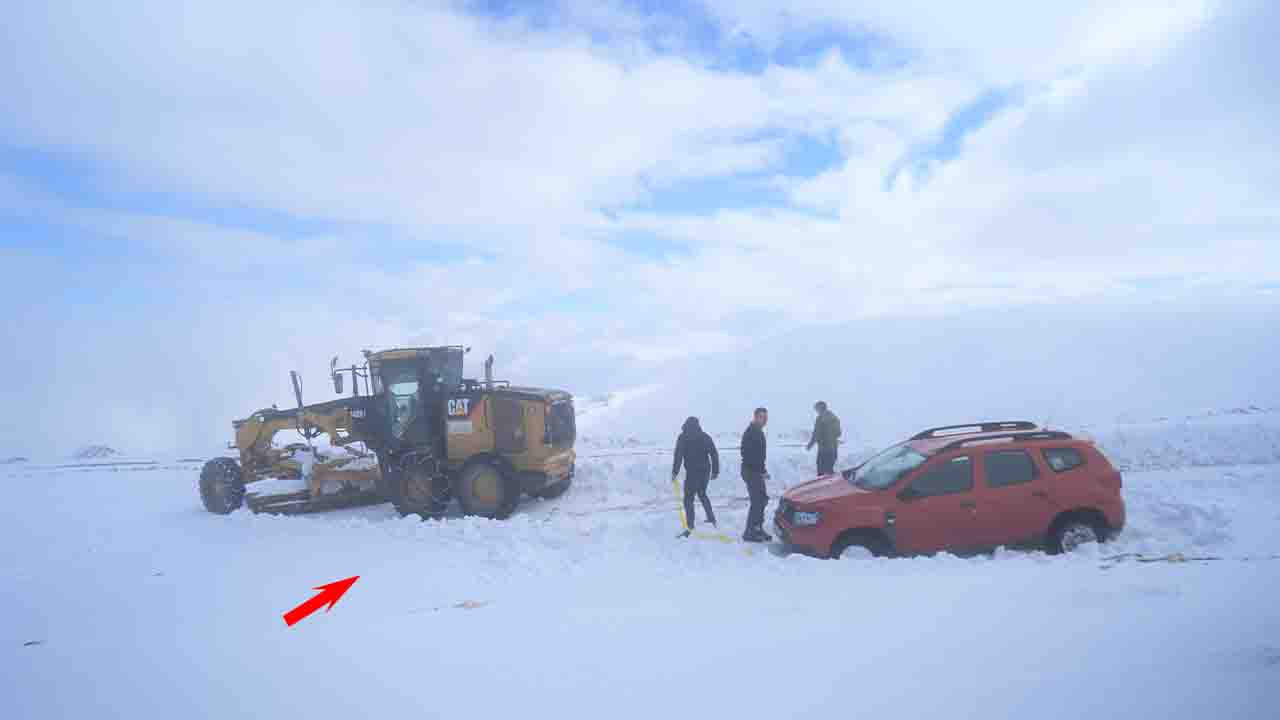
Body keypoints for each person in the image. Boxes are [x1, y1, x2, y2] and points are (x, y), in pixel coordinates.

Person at [671, 416, 720, 536]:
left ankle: (690, 526)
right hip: (705, 471)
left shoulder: (683, 437)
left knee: (688, 499)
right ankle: (711, 518)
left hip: (693, 472)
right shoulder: (704, 436)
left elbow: (678, 455)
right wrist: (715, 471)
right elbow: (714, 453)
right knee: (702, 493)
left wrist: (675, 472)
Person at [740, 407, 772, 542]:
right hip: (751, 471)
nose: (765, 420)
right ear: (756, 417)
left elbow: (759, 455)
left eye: (766, 418)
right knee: (757, 501)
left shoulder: (758, 431)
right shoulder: (751, 432)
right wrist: (759, 470)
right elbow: (748, 455)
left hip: (756, 471)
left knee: (762, 499)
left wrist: (762, 470)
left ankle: (757, 528)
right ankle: (749, 532)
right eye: (762, 417)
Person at [806, 401, 842, 476]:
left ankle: (822, 487)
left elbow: (816, 433)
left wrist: (810, 444)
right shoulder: (834, 417)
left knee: (821, 472)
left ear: (820, 408)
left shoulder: (820, 418)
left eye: (816, 409)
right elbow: (839, 433)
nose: (816, 411)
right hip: (833, 449)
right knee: (829, 471)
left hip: (824, 449)